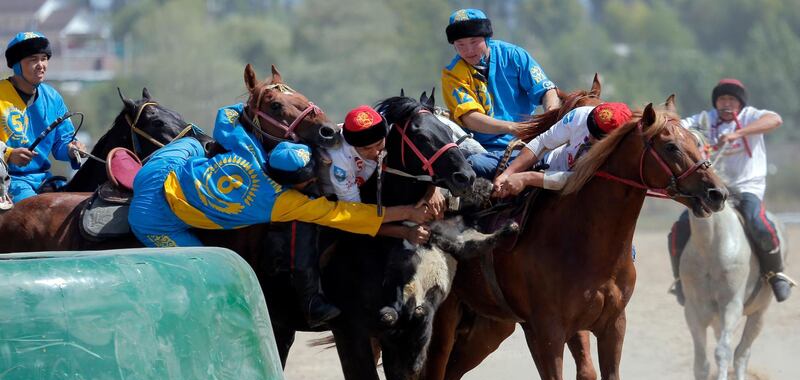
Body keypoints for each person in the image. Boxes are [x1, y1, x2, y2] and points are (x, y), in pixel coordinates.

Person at [128, 102, 433, 329]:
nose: (315, 181)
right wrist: (407, 213)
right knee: (205, 270)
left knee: (197, 141)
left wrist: (248, 103)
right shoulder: (281, 203)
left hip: (165, 167)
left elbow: (227, 117)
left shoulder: (253, 152)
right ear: (297, 183)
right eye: (310, 179)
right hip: (152, 215)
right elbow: (347, 215)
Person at [668, 78, 792, 303]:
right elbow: (677, 127)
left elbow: (775, 120)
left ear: (740, 103)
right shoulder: (705, 120)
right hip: (712, 189)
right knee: (680, 227)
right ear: (716, 102)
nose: (726, 103)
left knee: (758, 223)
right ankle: (680, 281)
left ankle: (776, 274)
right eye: (722, 99)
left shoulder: (750, 116)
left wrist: (739, 133)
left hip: (746, 187)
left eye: (732, 99)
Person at [441, 8, 560, 180]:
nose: (468, 50)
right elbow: (469, 118)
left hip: (528, 143)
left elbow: (547, 90)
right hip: (483, 150)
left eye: (474, 42)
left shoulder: (514, 55)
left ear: (487, 38)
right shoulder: (452, 74)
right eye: (460, 45)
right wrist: (513, 128)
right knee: (471, 166)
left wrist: (551, 117)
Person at [321, 105, 444, 245]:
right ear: (352, 145)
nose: (375, 153)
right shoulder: (340, 164)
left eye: (379, 144)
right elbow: (355, 219)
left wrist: (433, 188)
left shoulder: (387, 128)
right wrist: (406, 229)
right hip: (333, 198)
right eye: (366, 149)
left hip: (368, 181)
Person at [1, 32, 84, 201]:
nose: (41, 65)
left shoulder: (53, 97)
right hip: (8, 181)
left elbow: (62, 143)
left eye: (44, 58)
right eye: (33, 59)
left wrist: (71, 149)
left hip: (44, 180)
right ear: (16, 64)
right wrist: (8, 154)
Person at [493, 102, 633, 197]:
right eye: (590, 127)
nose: (590, 136)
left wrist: (527, 178)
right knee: (478, 163)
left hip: (578, 196)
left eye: (597, 136)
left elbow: (575, 180)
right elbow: (543, 142)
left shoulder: (617, 153)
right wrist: (507, 173)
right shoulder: (581, 115)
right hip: (545, 163)